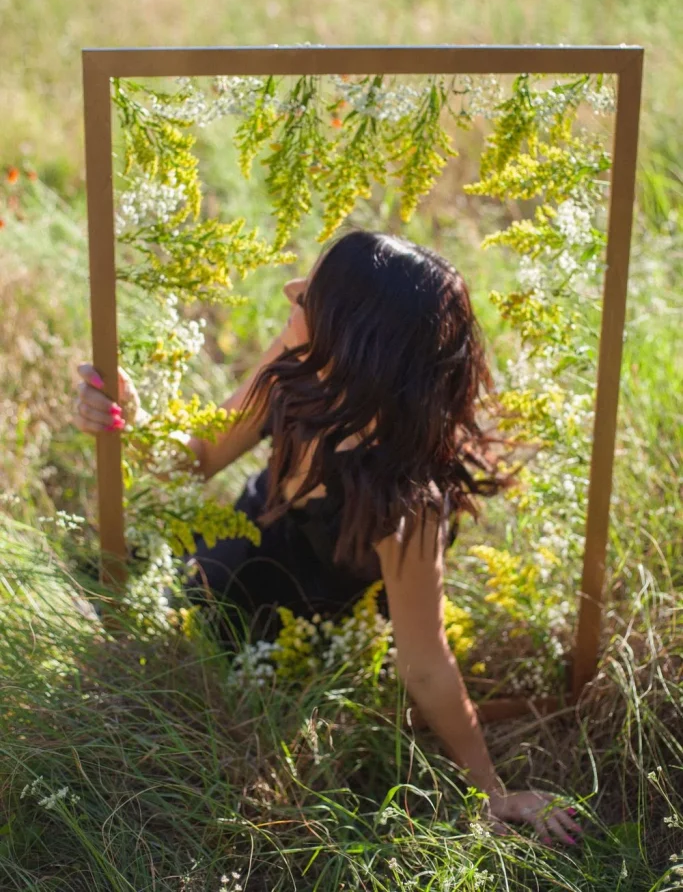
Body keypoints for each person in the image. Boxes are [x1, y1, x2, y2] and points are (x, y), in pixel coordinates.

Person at [73, 227, 582, 846]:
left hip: (320, 626)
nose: (290, 293)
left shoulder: (406, 500)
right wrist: (132, 424)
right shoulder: (295, 370)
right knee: (126, 582)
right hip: (248, 548)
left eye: (309, 297)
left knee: (216, 676)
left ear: (359, 342)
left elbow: (425, 663)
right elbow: (198, 456)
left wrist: (491, 790)